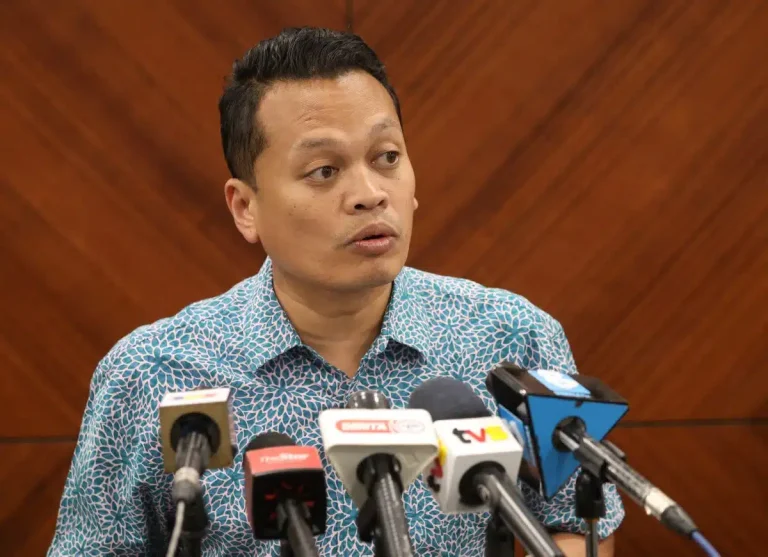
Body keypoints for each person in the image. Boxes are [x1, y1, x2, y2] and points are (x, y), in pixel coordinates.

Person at [47, 26, 623, 556]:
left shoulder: (509, 339)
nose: (371, 194)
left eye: (387, 158)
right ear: (246, 208)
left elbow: (576, 524)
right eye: (324, 170)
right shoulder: (154, 374)